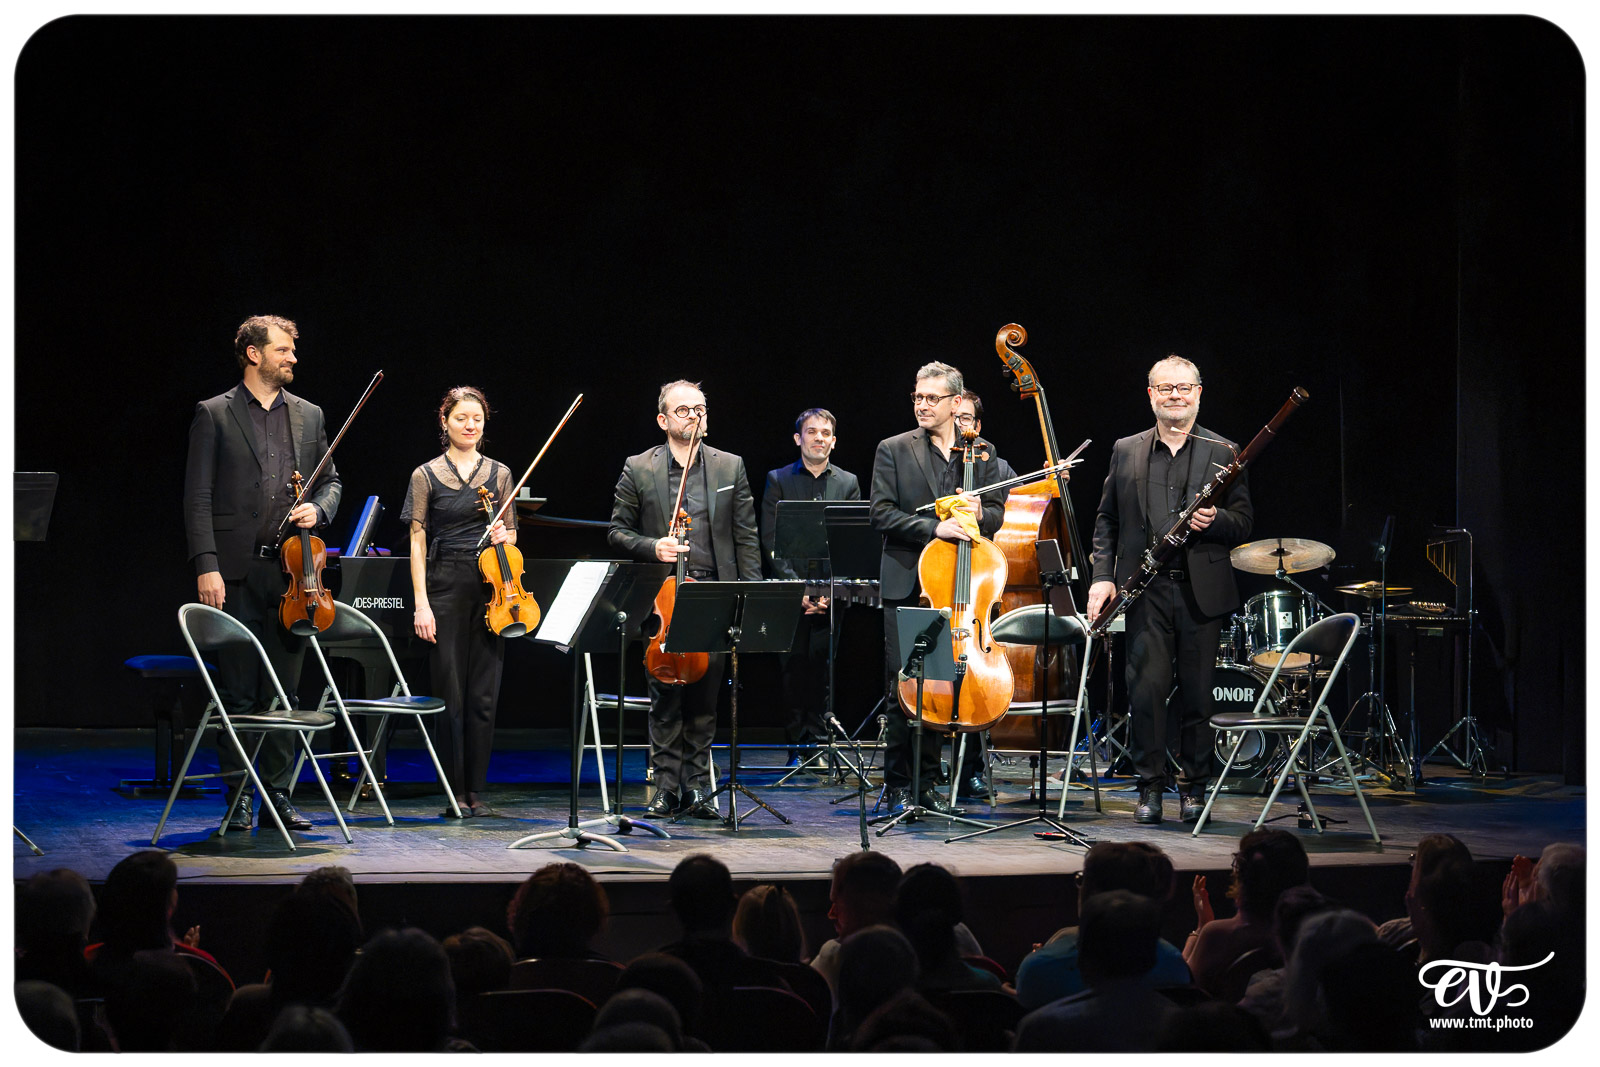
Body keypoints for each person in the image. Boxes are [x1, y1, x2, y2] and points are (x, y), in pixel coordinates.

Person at [183, 313, 341, 833]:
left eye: (292, 350)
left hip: (294, 575)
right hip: (234, 571)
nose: (292, 357)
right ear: (254, 353)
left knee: (285, 693)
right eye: (283, 350)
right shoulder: (214, 414)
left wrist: (319, 510)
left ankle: (276, 794)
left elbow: (331, 483)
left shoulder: (310, 415)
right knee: (239, 695)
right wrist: (207, 566)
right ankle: (238, 797)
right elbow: (197, 497)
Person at [1085, 354, 1253, 823]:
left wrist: (1216, 519)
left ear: (1199, 392)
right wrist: (1102, 577)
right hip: (1146, 591)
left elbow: (1243, 522)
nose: (1175, 395)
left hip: (1202, 593)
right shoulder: (1126, 449)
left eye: (1184, 388)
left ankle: (1194, 788)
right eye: (1166, 388)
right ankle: (1149, 788)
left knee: (1199, 697)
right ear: (1151, 395)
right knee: (1146, 694)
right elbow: (1107, 520)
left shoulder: (1226, 452)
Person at [608, 380, 762, 818]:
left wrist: (747, 597)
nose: (694, 416)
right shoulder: (639, 468)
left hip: (713, 592)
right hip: (663, 600)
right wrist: (653, 546)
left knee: (704, 699)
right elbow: (617, 532)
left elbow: (746, 537)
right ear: (663, 420)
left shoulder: (730, 467)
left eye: (700, 409)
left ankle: (695, 787)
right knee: (664, 698)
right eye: (683, 411)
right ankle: (664, 787)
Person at [869, 362, 1007, 815]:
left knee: (941, 685)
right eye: (917, 397)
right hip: (912, 582)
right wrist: (936, 528)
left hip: (959, 587)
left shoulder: (982, 454)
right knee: (905, 685)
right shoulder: (893, 449)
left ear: (955, 403)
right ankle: (896, 783)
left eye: (932, 398)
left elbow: (997, 513)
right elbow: (882, 514)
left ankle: (926, 784)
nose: (922, 405)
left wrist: (977, 515)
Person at [403, 385, 516, 818]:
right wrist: (421, 604)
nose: (470, 426)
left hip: (492, 587)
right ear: (444, 422)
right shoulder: (425, 475)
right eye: (461, 419)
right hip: (444, 583)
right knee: (449, 691)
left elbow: (512, 533)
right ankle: (453, 792)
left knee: (484, 695)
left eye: (477, 420)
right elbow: (417, 541)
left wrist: (506, 534)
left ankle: (476, 791)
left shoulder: (501, 474)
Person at [760, 407, 863, 765]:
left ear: (833, 441)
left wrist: (828, 591)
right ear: (798, 438)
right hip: (790, 594)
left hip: (832, 595)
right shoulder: (778, 479)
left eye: (826, 433)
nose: (819, 438)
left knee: (825, 670)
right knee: (793, 671)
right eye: (812, 432)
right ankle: (796, 744)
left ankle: (820, 744)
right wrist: (798, 588)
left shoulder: (847, 482)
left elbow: (849, 541)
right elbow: (770, 538)